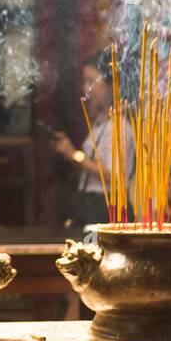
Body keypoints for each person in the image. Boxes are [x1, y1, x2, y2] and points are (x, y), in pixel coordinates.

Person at [52, 50, 134, 232]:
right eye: (84, 81)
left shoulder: (119, 127)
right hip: (90, 206)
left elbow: (115, 178)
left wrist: (74, 155)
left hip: (106, 210)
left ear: (109, 85)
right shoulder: (99, 124)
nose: (85, 88)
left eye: (91, 81)